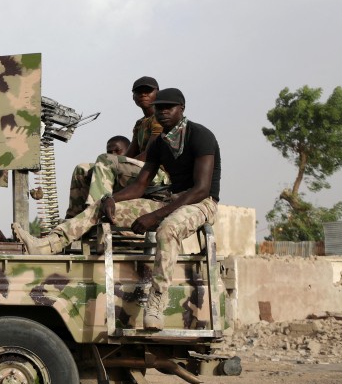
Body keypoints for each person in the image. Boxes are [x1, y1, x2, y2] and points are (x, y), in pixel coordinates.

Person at [13, 88, 221, 330]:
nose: (163, 111)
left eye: (169, 107)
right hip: (168, 201)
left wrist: (154, 215)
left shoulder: (200, 135)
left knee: (168, 229)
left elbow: (201, 189)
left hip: (200, 203)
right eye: (159, 107)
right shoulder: (160, 143)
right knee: (101, 208)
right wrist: (111, 198)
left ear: (181, 109)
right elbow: (140, 184)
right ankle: (49, 244)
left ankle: (156, 303)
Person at [65, 77, 166, 218]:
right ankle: (73, 217)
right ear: (133, 97)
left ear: (157, 93)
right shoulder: (140, 123)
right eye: (138, 92)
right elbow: (128, 156)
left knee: (106, 159)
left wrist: (116, 165)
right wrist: (116, 165)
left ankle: (94, 212)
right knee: (82, 168)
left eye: (148, 91)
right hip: (141, 168)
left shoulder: (160, 118)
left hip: (155, 173)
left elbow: (149, 154)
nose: (143, 94)